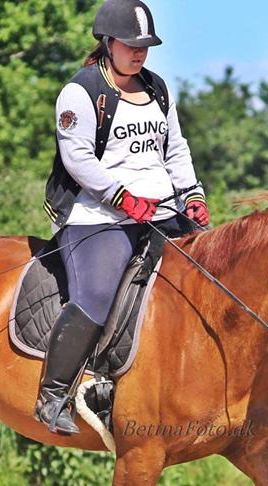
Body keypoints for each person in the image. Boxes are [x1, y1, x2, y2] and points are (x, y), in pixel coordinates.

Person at [35, 0, 210, 435]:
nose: (139, 53)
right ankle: (54, 395)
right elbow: (75, 157)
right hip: (95, 216)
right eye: (131, 45)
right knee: (97, 294)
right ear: (107, 43)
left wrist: (191, 193)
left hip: (159, 212)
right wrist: (121, 196)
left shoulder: (158, 89)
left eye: (144, 46)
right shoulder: (80, 92)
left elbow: (175, 148)